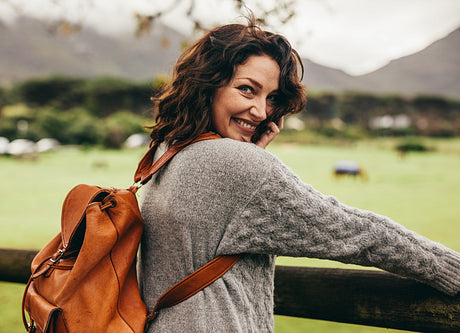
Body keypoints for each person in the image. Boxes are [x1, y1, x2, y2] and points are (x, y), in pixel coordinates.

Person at [137, 19, 460, 332]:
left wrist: (249, 158)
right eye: (247, 90)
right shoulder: (233, 165)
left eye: (271, 97)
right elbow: (358, 233)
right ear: (207, 86)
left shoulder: (165, 154)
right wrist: (451, 270)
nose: (262, 112)